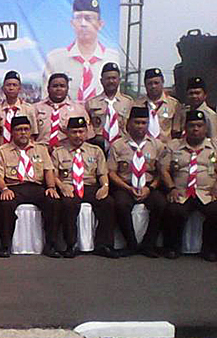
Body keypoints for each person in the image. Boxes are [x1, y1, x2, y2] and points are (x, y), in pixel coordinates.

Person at [0, 115, 60, 258]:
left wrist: (51, 187)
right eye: (19, 130)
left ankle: (51, 245)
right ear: (12, 132)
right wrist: (4, 189)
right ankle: (5, 245)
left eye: (26, 129)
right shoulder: (2, 151)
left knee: (53, 202)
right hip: (13, 187)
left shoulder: (41, 149)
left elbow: (48, 170)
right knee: (5, 203)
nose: (23, 133)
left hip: (36, 187)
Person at [52, 116, 118, 258]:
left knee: (108, 202)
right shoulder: (58, 152)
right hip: (69, 186)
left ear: (87, 132)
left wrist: (105, 186)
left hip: (90, 186)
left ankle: (104, 245)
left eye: (81, 132)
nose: (78, 135)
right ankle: (71, 245)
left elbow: (102, 173)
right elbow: (54, 175)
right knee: (68, 204)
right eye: (74, 132)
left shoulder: (95, 151)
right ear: (67, 133)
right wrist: (62, 187)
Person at [107, 105, 167, 257]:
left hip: (148, 186)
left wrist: (150, 188)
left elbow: (161, 172)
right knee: (120, 204)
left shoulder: (157, 145)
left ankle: (149, 244)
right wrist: (127, 188)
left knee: (161, 204)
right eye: (137, 122)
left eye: (144, 123)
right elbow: (111, 172)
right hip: (125, 185)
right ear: (129, 123)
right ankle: (131, 244)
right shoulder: (118, 145)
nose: (140, 126)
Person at [160, 109, 217, 261]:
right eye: (192, 126)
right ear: (185, 128)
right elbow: (164, 170)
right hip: (182, 192)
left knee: (215, 211)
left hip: (206, 192)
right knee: (173, 211)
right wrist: (171, 188)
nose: (195, 129)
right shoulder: (174, 146)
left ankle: (210, 250)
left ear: (205, 128)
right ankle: (172, 248)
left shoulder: (214, 146)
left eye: (199, 125)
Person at [42, 0, 120, 101]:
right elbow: (46, 99)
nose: (83, 24)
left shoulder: (113, 58)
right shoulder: (55, 59)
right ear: (72, 23)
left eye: (89, 19)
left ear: (100, 24)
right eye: (78, 18)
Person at [85, 62, 134, 152]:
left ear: (119, 80)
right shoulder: (91, 103)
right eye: (107, 78)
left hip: (122, 146)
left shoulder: (128, 102)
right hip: (98, 146)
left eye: (114, 78)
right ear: (101, 81)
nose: (111, 81)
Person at [34, 73, 91, 149]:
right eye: (55, 86)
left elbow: (87, 136)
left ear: (67, 88)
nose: (59, 89)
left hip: (66, 152)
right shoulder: (35, 108)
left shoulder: (79, 110)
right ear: (48, 88)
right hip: (41, 150)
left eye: (62, 86)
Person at [134, 68, 181, 142]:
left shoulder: (173, 104)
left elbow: (176, 132)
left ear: (163, 82)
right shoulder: (137, 105)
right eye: (150, 83)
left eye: (156, 83)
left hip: (165, 146)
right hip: (144, 146)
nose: (153, 86)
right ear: (145, 85)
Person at [0, 71, 38, 149]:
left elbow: (32, 135)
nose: (11, 88)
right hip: (1, 151)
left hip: (22, 151)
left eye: (14, 85)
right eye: (8, 85)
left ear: (19, 88)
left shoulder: (28, 109)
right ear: (3, 88)